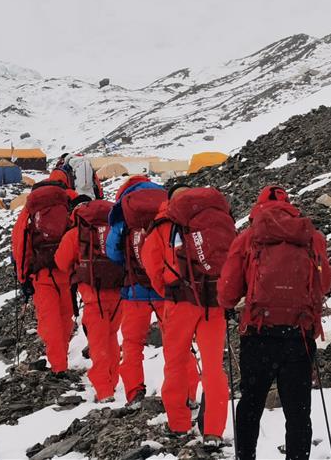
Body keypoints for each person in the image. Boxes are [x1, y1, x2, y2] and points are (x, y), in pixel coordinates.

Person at [219, 186, 331, 460]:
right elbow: (325, 284)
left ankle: (245, 456)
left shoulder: (248, 238)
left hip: (259, 334)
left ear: (257, 209)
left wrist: (228, 307)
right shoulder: (310, 237)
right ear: (290, 206)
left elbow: (227, 290)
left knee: (251, 404)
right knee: (298, 410)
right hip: (299, 336)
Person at [143, 184, 237, 442]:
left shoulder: (163, 223)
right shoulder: (215, 216)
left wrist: (168, 290)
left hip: (179, 302)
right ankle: (214, 431)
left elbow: (151, 265)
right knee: (213, 368)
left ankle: (179, 424)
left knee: (175, 364)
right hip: (212, 301)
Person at [105, 175, 196, 408]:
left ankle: (135, 392)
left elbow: (112, 252)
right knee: (179, 343)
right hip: (167, 290)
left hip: (134, 291)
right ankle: (188, 393)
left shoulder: (123, 211)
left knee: (132, 344)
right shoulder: (167, 206)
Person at [55, 197, 124, 402]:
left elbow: (61, 262)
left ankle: (104, 390)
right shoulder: (116, 230)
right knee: (112, 337)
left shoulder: (76, 234)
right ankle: (112, 381)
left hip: (94, 297)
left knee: (98, 343)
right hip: (118, 293)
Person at [11, 180, 75, 374]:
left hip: (42, 274)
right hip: (65, 270)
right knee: (65, 317)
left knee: (50, 321)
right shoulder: (66, 206)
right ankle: (61, 358)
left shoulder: (29, 212)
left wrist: (23, 279)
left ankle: (59, 367)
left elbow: (21, 245)